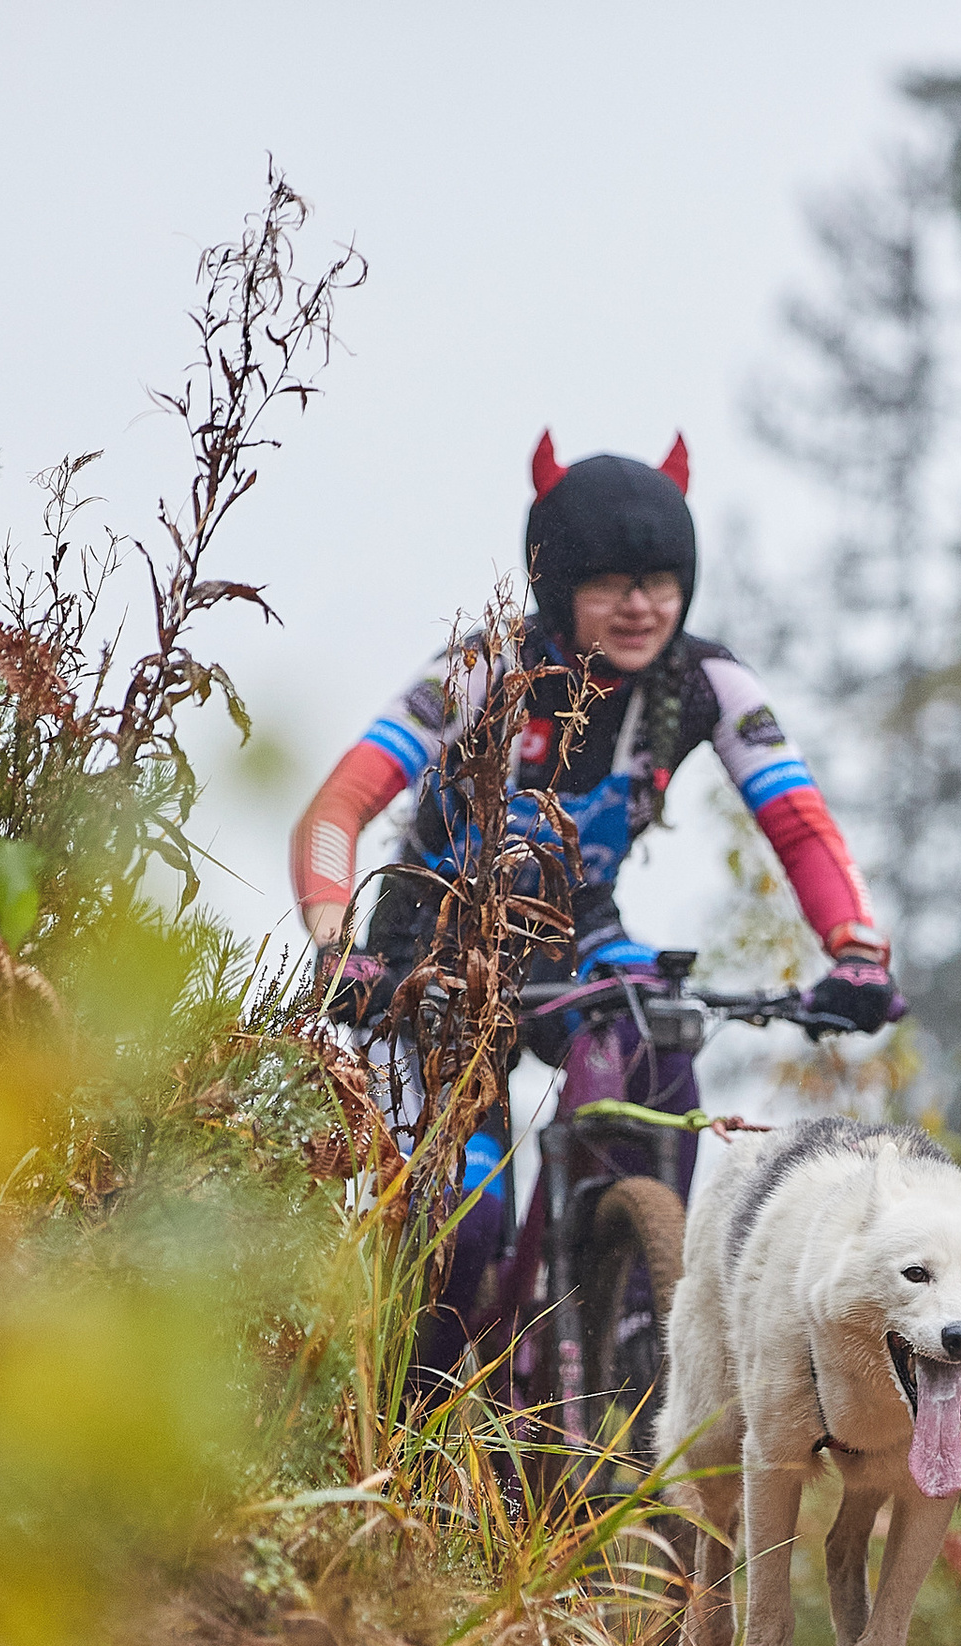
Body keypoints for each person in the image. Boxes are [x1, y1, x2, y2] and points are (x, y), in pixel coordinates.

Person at [289, 433, 901, 1374]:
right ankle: (417, 1424)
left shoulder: (705, 682)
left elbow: (802, 826)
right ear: (558, 584)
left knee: (662, 1049)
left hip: (580, 944)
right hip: (429, 957)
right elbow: (338, 809)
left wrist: (856, 952)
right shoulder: (488, 663)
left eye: (661, 581)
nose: (641, 606)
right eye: (610, 583)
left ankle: (631, 1335)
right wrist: (339, 946)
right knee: (468, 1217)